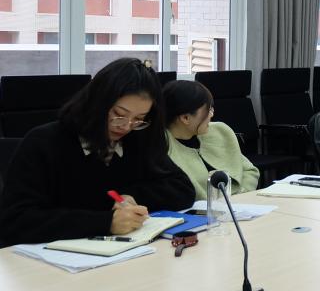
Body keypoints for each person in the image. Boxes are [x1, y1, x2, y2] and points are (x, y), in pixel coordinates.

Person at [0, 58, 195, 246]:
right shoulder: (45, 142)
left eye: (138, 119)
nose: (126, 126)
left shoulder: (137, 138)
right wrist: (105, 222)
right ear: (97, 102)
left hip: (124, 254)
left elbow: (182, 188)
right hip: (49, 259)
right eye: (119, 114)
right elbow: (15, 220)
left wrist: (130, 196)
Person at [163, 80, 260, 199]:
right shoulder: (163, 147)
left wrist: (238, 198)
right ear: (185, 118)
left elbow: (250, 171)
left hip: (240, 203)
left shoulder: (220, 131)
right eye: (207, 110)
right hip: (199, 209)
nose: (212, 114)